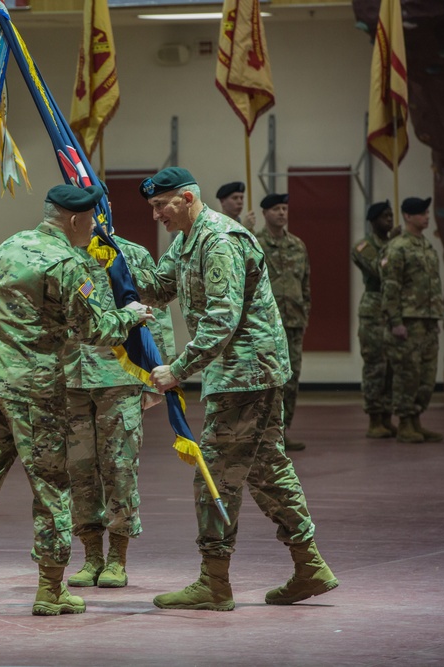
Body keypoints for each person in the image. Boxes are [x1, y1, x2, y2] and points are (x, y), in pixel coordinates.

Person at [129, 167, 337, 612]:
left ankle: (214, 582)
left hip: (247, 375)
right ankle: (310, 566)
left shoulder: (219, 240)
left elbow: (221, 319)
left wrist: (177, 369)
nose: (155, 216)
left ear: (185, 198)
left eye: (160, 206)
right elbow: (158, 288)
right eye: (150, 208)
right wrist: (112, 260)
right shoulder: (186, 239)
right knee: (267, 472)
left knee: (216, 477)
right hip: (240, 375)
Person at [0, 184, 150, 617]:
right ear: (74, 219)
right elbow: (94, 330)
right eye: (90, 220)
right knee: (51, 487)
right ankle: (51, 589)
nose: (92, 228)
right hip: (34, 392)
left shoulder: (10, 245)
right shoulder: (68, 263)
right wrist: (130, 315)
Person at [65, 228, 175, 589]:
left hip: (119, 375)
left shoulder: (130, 253)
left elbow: (154, 310)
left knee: (119, 466)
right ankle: (91, 555)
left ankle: (117, 558)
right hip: (70, 377)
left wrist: (157, 376)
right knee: (79, 471)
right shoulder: (61, 253)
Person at [381, 196, 444, 444]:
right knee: (408, 373)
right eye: (422, 213)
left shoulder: (426, 246)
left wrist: (435, 316)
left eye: (428, 212)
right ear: (408, 216)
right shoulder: (398, 247)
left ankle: (416, 418)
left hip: (428, 320)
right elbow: (391, 287)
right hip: (408, 321)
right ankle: (405, 422)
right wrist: (395, 320)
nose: (427, 216)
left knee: (426, 375)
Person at [256, 193, 310, 451]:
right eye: (276, 208)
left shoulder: (298, 245)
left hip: (294, 322)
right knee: (269, 378)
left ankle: (283, 430)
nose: (281, 213)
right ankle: (266, 431)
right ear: (265, 213)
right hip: (266, 324)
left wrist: (305, 312)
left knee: (292, 378)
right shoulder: (255, 243)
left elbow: (305, 283)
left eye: (285, 208)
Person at [352, 201, 397, 439]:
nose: (389, 220)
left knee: (391, 366)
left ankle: (388, 417)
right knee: (375, 367)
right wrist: (394, 248)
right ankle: (374, 418)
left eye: (391, 216)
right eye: (384, 216)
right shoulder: (363, 247)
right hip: (374, 310)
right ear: (372, 221)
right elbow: (380, 270)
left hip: (393, 310)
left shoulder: (394, 244)